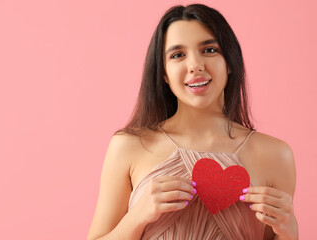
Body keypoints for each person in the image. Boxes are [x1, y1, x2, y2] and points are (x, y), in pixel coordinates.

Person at [87, 3, 298, 240]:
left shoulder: (276, 155)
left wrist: (289, 234)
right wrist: (137, 217)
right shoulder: (128, 146)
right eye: (178, 55)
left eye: (209, 50)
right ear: (164, 73)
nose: (195, 65)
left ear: (229, 62)